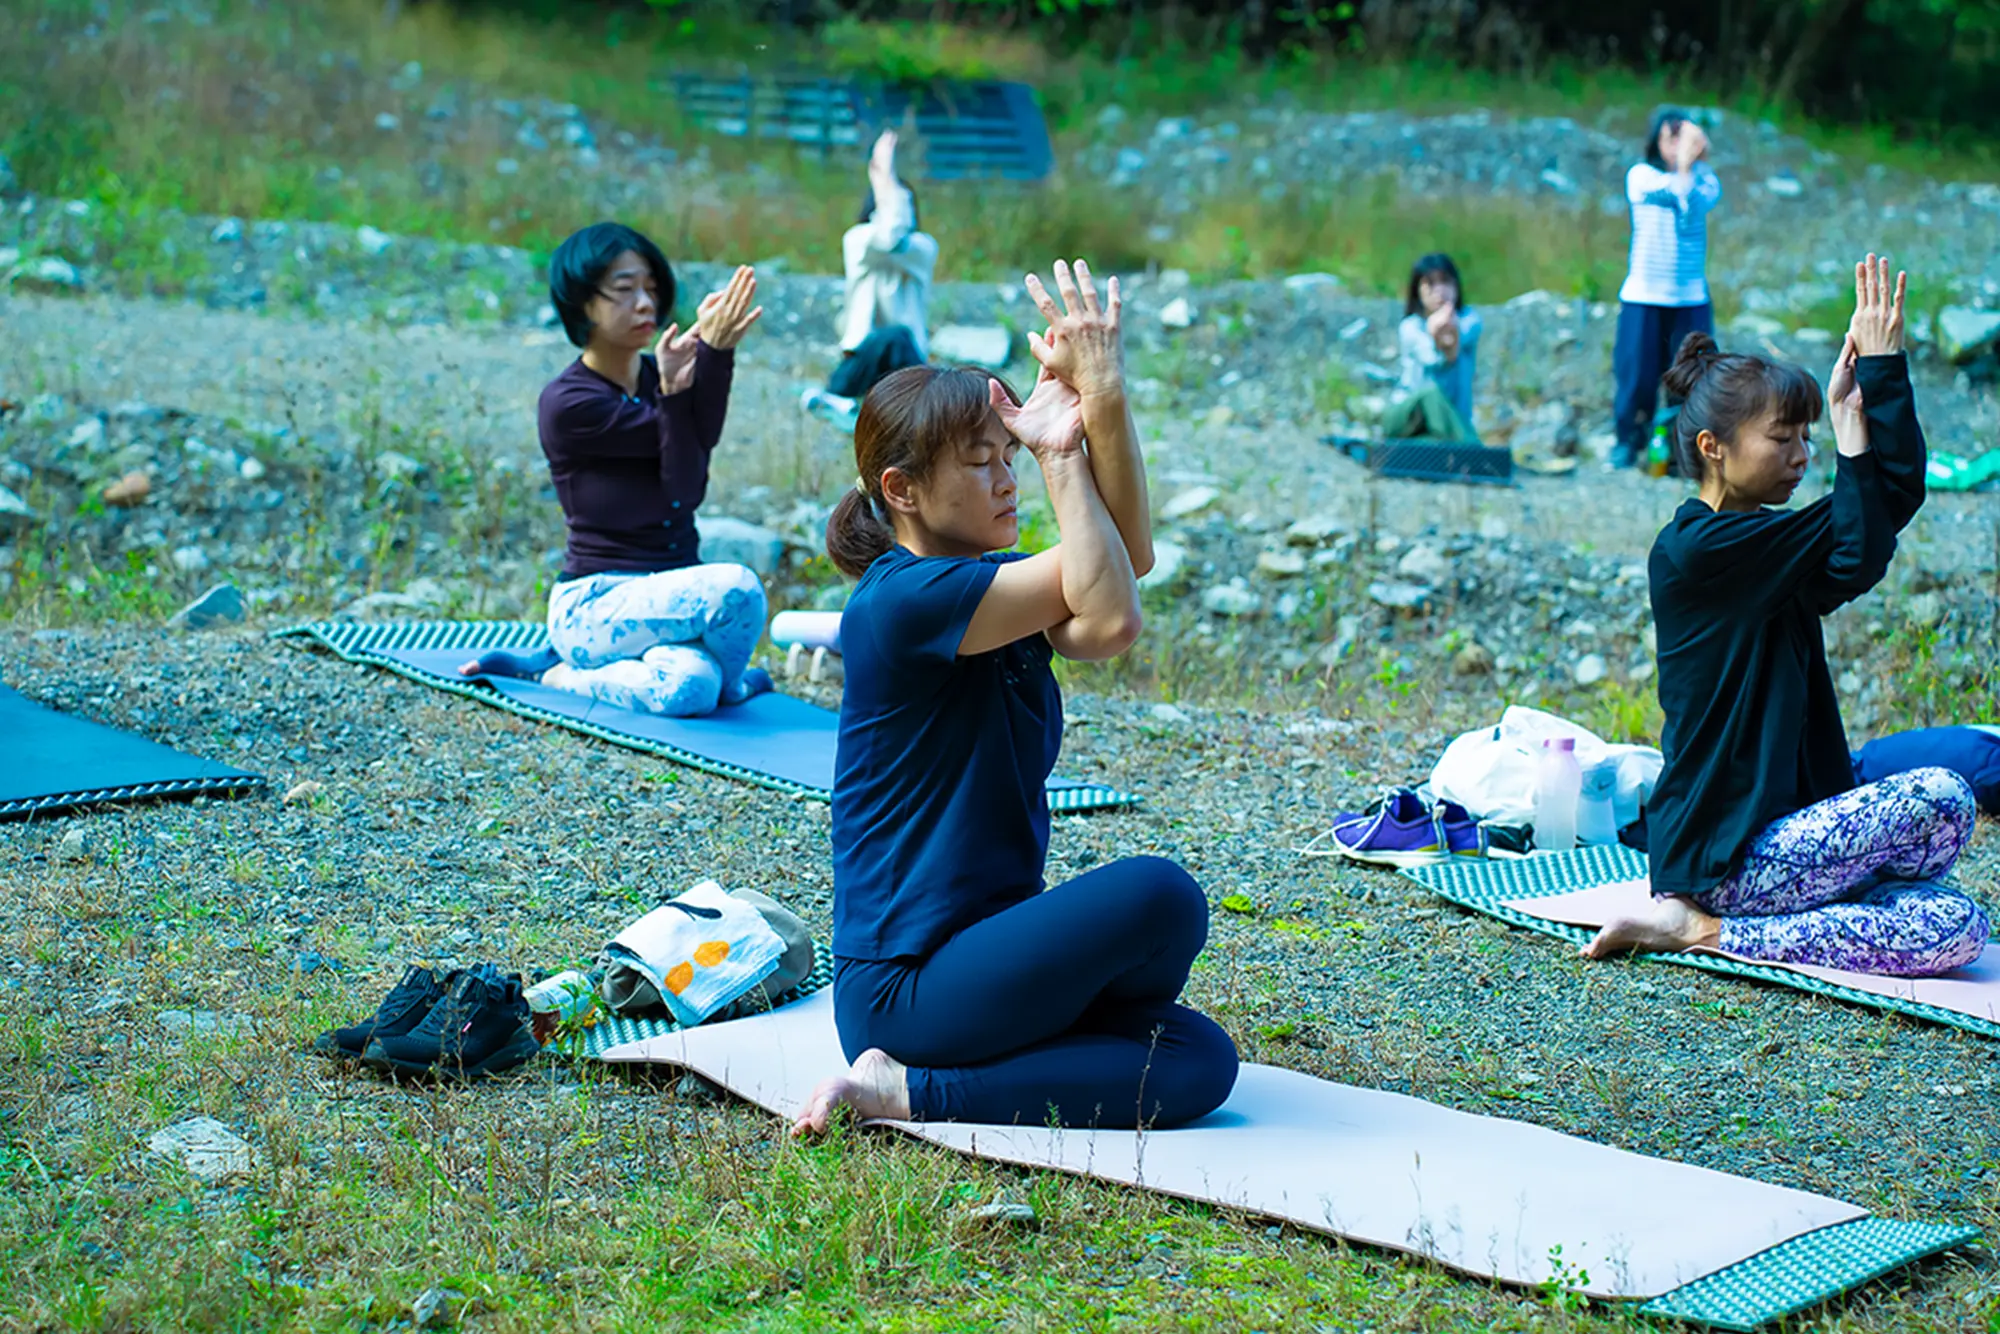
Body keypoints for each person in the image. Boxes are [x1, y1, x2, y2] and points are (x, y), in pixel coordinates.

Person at [792, 260, 1239, 1135]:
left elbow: (1121, 570)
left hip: (984, 963)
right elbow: (1109, 605)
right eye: (982, 463)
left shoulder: (990, 583)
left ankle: (944, 1073)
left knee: (1199, 1061)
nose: (1008, 481)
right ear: (903, 490)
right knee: (1162, 896)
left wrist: (1102, 393)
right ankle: (905, 1089)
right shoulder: (901, 601)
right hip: (907, 990)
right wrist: (1059, 453)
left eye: (1012, 458)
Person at [1586, 256, 1990, 978]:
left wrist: (1881, 380)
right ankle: (1703, 922)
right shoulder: (1699, 549)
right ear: (1713, 447)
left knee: (1956, 924)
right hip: (1727, 852)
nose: (1803, 456)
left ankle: (1712, 933)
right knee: (1943, 795)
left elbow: (1871, 529)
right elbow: (1862, 529)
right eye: (1784, 438)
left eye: (1808, 437)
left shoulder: (1767, 553)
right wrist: (1857, 420)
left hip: (1791, 834)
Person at [458, 222, 774, 717]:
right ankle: (556, 673)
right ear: (584, 303)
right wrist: (680, 388)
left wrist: (717, 354)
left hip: (666, 603)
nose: (646, 304)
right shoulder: (568, 403)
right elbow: (674, 451)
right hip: (596, 604)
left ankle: (717, 684)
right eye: (625, 290)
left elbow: (686, 485)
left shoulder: (658, 377)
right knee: (736, 588)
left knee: (689, 687)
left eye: (651, 288)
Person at [800, 130, 938, 430]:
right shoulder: (857, 240)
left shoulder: (922, 248)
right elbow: (885, 236)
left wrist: (885, 179)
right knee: (880, 342)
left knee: (896, 337)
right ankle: (844, 403)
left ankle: (851, 406)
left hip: (908, 361)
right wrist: (883, 181)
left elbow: (893, 237)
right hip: (861, 358)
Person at [1610, 107, 1722, 470]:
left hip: (1690, 298)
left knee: (1690, 378)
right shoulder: (1641, 176)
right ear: (1656, 140)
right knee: (1637, 375)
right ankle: (1629, 441)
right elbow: (1672, 193)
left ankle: (1681, 452)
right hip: (1644, 296)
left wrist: (1691, 165)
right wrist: (1685, 167)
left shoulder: (1707, 180)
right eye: (1671, 135)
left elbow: (1694, 204)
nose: (1679, 143)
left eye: (1685, 135)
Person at [1386, 252, 1482, 442]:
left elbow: (1455, 347)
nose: (1439, 291)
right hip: (1407, 415)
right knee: (1431, 395)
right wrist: (1435, 332)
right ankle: (1473, 450)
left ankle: (1458, 448)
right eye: (1430, 284)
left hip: (1444, 423)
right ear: (1418, 290)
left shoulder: (1470, 320)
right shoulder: (1410, 327)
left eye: (1445, 282)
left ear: (1456, 286)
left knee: (1431, 444)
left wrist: (1449, 333)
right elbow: (1431, 358)